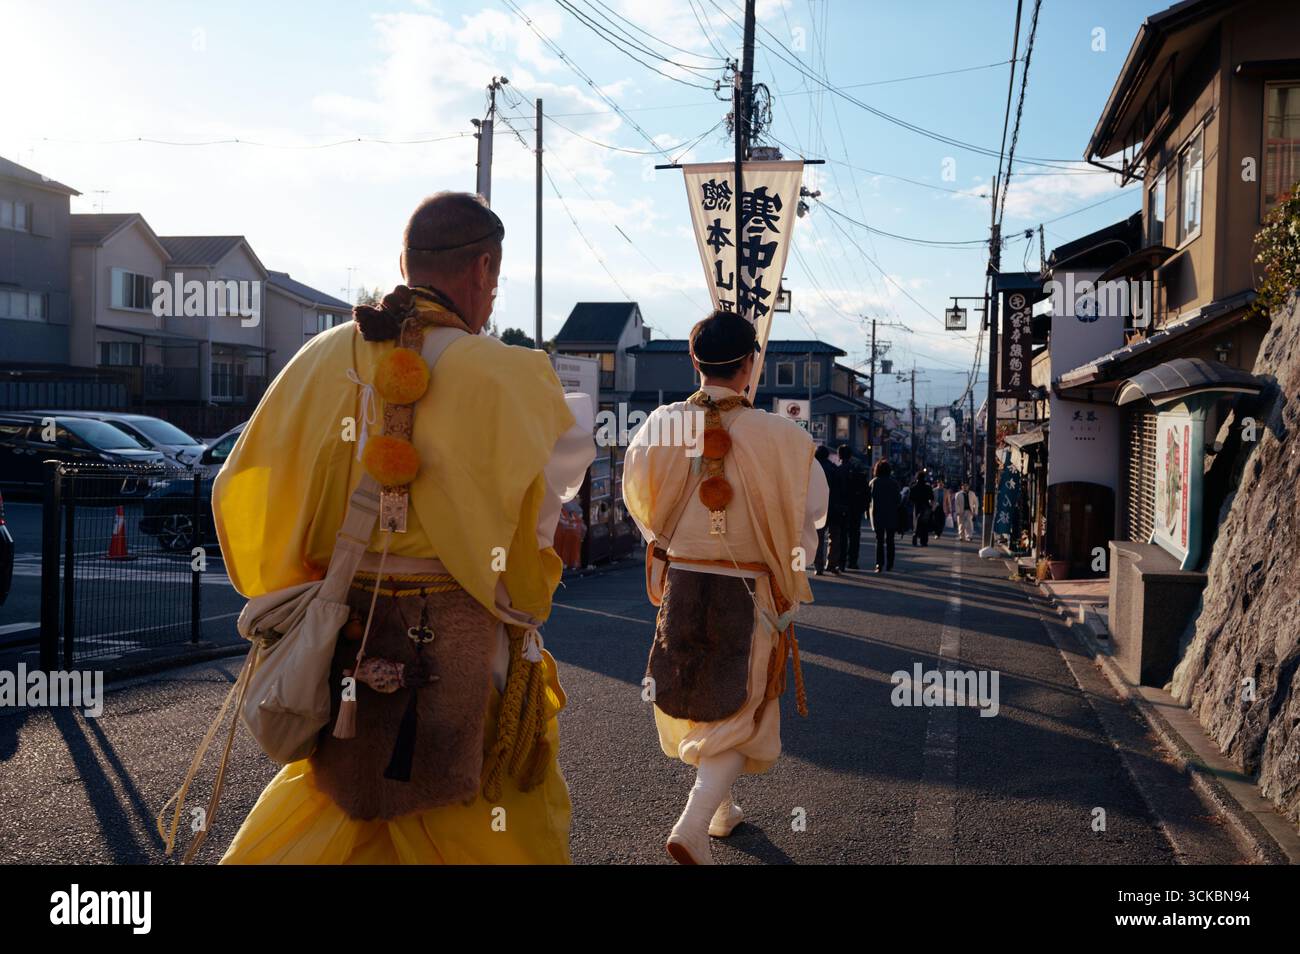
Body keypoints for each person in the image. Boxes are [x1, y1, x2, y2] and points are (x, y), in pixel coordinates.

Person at [212, 192, 595, 864]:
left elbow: (240, 483)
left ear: (404, 261)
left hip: (342, 633)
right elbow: (540, 527)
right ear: (481, 269)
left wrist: (299, 575)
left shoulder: (319, 358)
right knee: (486, 814)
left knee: (343, 801)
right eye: (496, 280)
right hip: (464, 639)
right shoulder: (511, 375)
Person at [623, 310, 828, 865]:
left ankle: (719, 809)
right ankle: (692, 824)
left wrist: (670, 543)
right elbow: (812, 514)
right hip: (749, 586)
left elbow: (634, 495)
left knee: (696, 692)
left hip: (683, 579)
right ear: (750, 365)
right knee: (746, 707)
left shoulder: (661, 424)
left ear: (694, 361)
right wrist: (793, 562)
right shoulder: (783, 436)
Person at [839, 445, 870, 570]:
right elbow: (866, 491)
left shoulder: (838, 470)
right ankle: (853, 561)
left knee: (842, 534)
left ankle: (841, 561)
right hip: (856, 507)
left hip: (842, 506)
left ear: (840, 455)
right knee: (854, 535)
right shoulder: (859, 471)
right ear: (851, 456)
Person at [868, 459, 900, 573]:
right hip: (891, 514)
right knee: (890, 540)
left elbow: (868, 499)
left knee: (879, 540)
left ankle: (879, 564)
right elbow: (898, 500)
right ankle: (890, 564)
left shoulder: (873, 482)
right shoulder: (894, 483)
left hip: (877, 514)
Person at [813, 445, 836, 575]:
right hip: (832, 505)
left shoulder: (812, 469)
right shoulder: (833, 468)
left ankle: (818, 565)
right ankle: (831, 563)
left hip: (817, 506)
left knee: (818, 537)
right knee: (833, 535)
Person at [909, 470, 934, 547]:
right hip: (926, 506)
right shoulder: (928, 487)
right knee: (924, 524)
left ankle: (915, 536)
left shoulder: (913, 487)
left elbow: (910, 499)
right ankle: (924, 541)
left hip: (916, 506)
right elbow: (932, 498)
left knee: (916, 522)